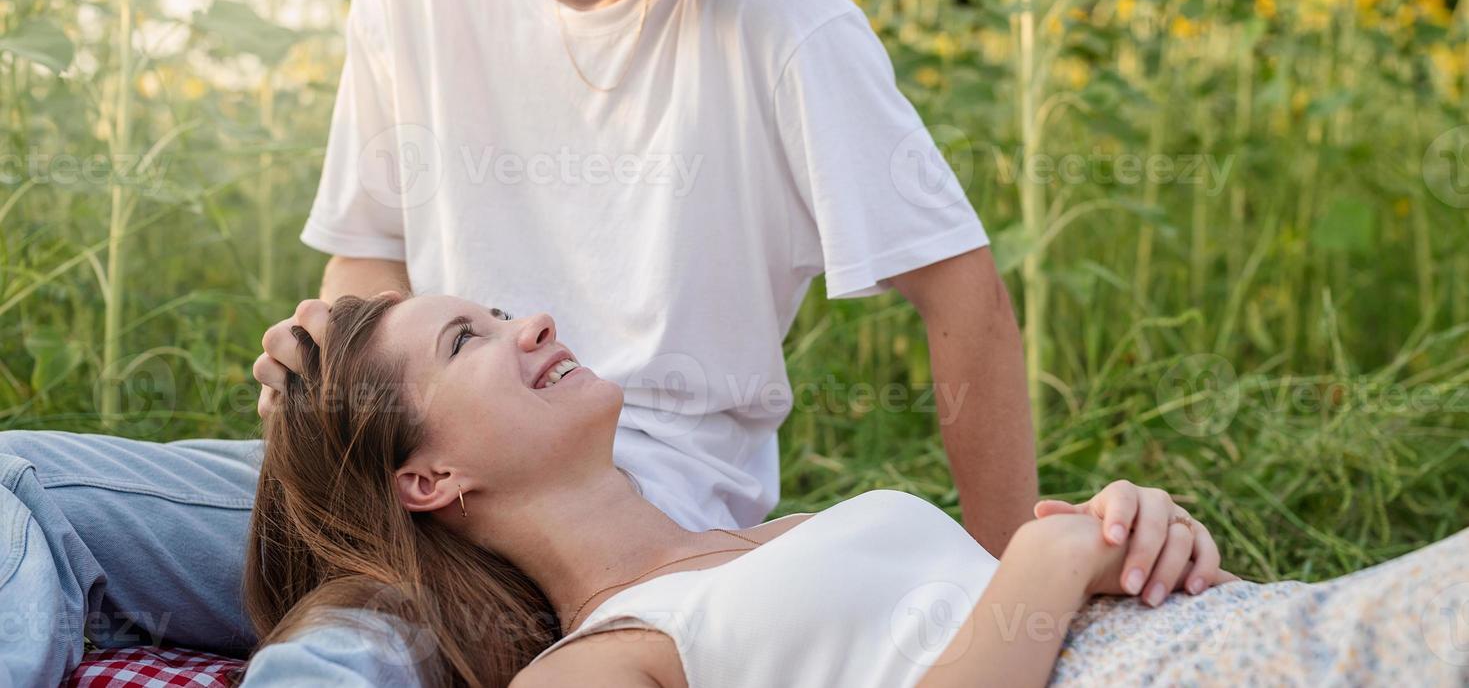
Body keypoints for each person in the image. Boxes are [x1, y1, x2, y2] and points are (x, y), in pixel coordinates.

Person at [0, 0, 1177, 682]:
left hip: (615, 500)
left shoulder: (781, 22)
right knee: (24, 485)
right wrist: (330, 375)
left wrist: (998, 588)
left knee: (353, 640)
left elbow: (959, 295)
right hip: (421, 452)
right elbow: (369, 257)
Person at [244, 292, 1469, 688]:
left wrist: (1128, 528)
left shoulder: (757, 537)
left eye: (500, 307)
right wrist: (1042, 574)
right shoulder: (589, 664)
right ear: (427, 476)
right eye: (470, 339)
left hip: (1245, 628)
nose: (530, 324)